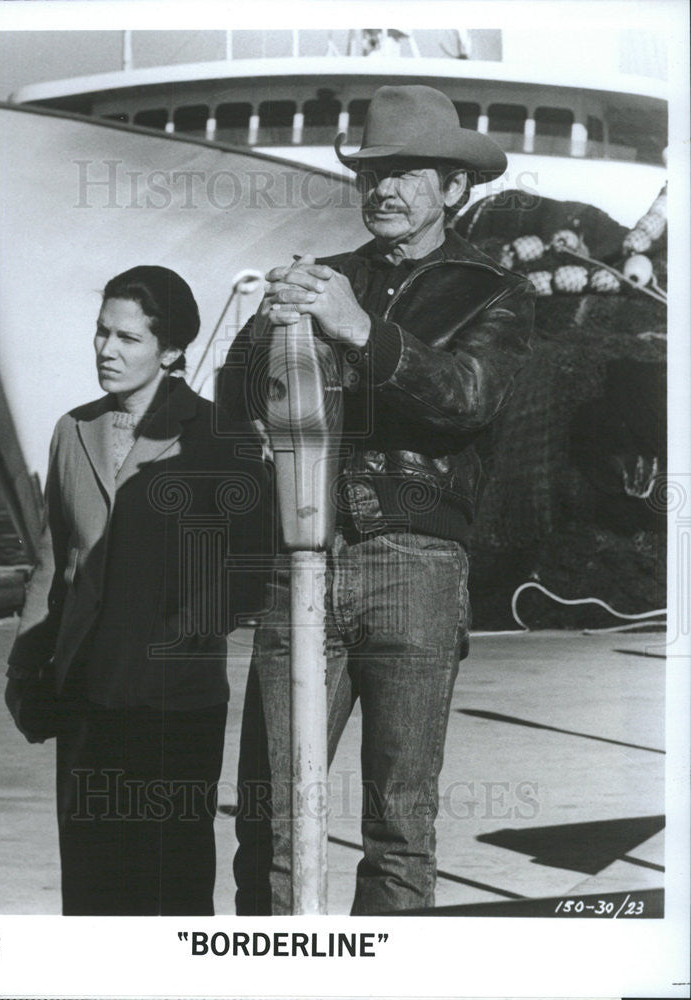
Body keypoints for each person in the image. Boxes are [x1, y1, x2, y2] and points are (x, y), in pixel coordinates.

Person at [217, 85, 535, 915]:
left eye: (407, 172)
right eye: (373, 172)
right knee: (272, 815)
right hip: (303, 560)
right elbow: (237, 399)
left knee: (398, 825)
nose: (383, 189)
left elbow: (469, 396)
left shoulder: (492, 290)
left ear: (454, 188)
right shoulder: (325, 277)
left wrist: (359, 329)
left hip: (417, 566)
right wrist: (264, 335)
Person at [5, 265, 270, 915]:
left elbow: (250, 562)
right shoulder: (73, 429)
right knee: (92, 893)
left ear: (172, 350)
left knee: (170, 889)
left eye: (127, 338)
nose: (106, 350)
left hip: (173, 707)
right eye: (101, 333)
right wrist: (23, 670)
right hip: (85, 699)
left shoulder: (216, 437)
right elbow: (52, 563)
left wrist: (186, 630)